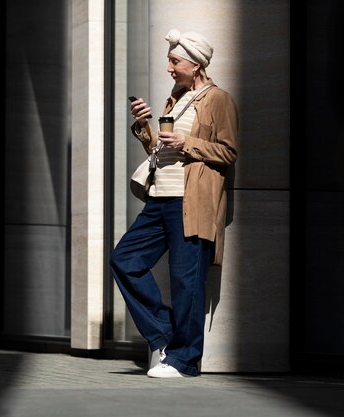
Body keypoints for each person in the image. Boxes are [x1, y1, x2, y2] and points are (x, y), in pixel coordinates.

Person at [110, 29, 238, 378]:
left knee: (186, 281)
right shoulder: (175, 98)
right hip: (159, 197)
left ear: (195, 64)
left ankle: (185, 360)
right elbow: (162, 152)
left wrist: (187, 143)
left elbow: (227, 152)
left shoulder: (218, 99)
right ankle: (165, 334)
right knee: (124, 260)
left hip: (191, 200)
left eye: (174, 61)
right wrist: (144, 126)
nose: (169, 67)